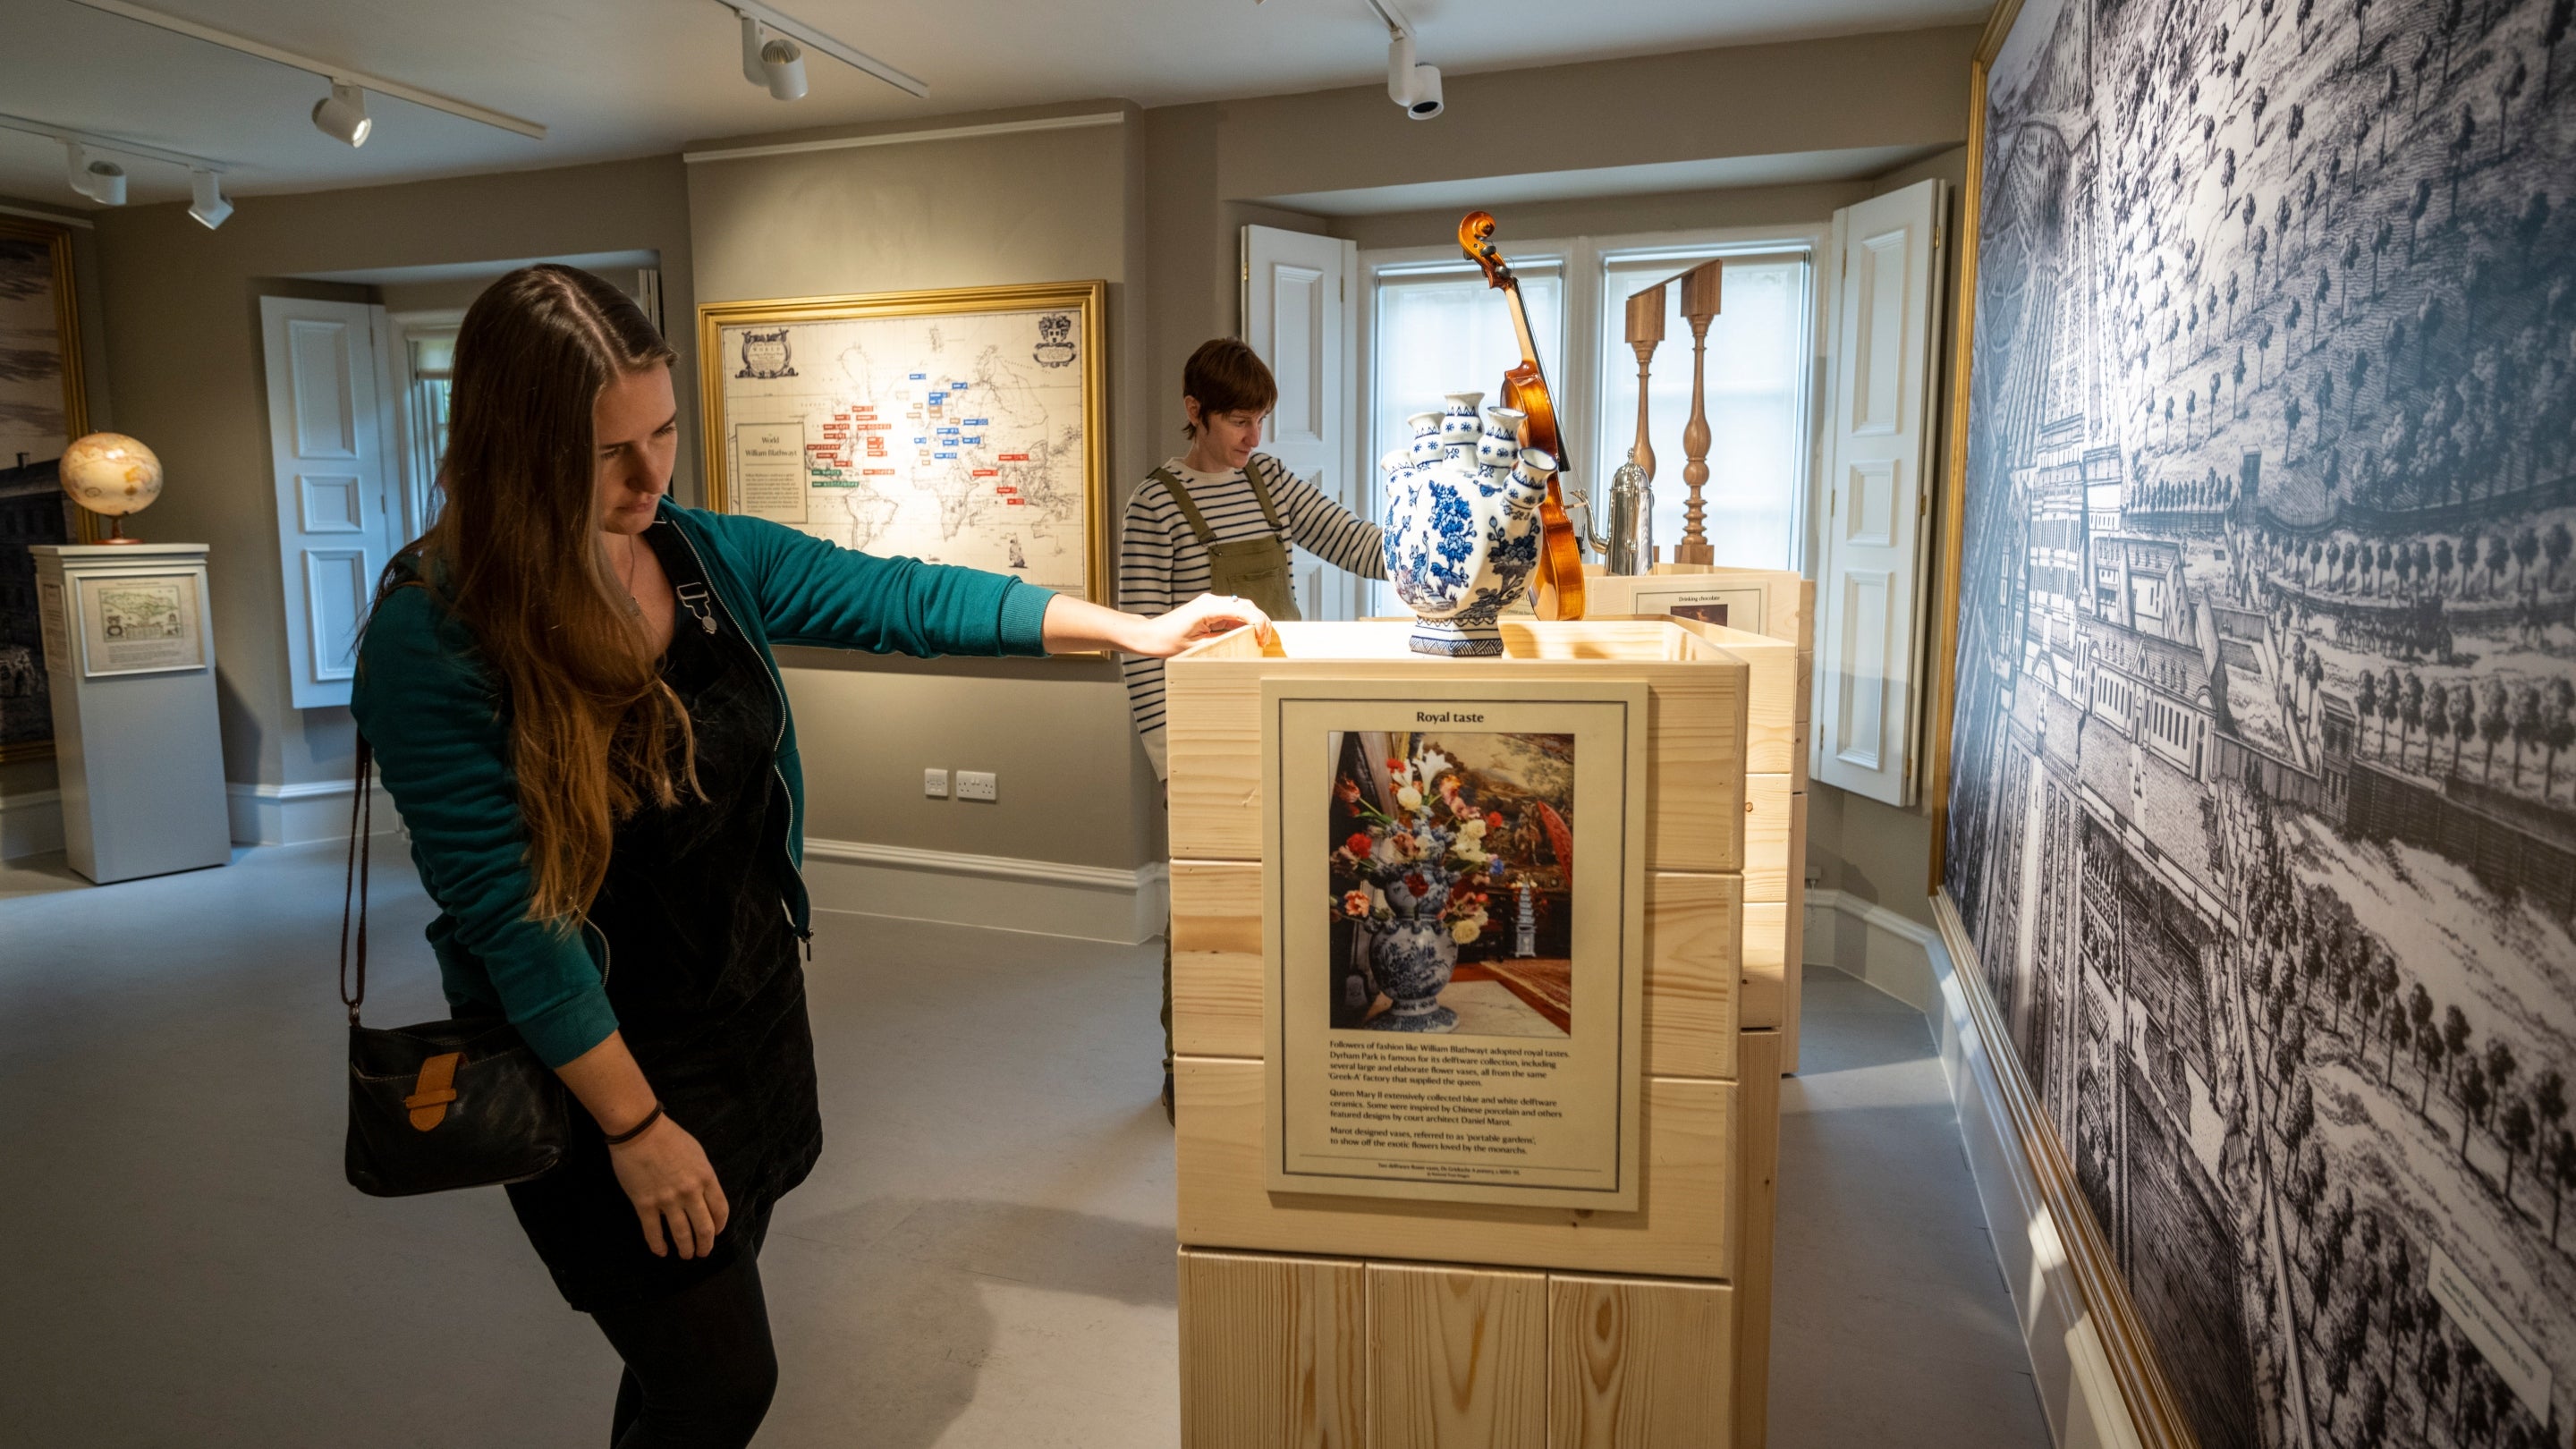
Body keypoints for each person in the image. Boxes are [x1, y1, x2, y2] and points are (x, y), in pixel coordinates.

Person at [350, 266, 1268, 1449]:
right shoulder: (436, 634)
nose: (649, 477)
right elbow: (512, 917)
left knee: (683, 1371)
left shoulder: (693, 554)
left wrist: (1130, 631)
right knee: (722, 1377)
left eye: (664, 431)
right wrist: (634, 1131)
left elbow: (900, 597)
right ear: (510, 447)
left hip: (744, 1013)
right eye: (606, 452)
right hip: (599, 1062)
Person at [1118, 337, 1387, 1115]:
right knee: (1205, 907)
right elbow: (1138, 643)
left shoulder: (1268, 481)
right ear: (1193, 412)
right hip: (1207, 739)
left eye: (1260, 420)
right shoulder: (1156, 506)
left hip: (1296, 719)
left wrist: (1438, 555)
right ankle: (1187, 1063)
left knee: (1312, 888)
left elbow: (1354, 541)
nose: (1253, 438)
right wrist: (1169, 759)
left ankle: (1289, 1048)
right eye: (1239, 421)